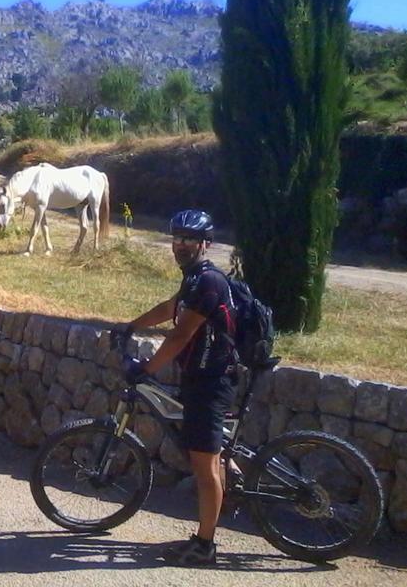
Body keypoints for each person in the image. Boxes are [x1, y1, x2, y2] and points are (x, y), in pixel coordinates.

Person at [124, 209, 236, 567]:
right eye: (177, 238)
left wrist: (146, 367)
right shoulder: (193, 279)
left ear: (206, 243)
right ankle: (214, 514)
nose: (181, 245)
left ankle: (205, 546)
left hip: (210, 382)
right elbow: (171, 308)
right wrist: (131, 325)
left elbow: (180, 333)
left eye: (190, 239)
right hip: (199, 378)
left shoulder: (208, 282)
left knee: (205, 469)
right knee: (209, 459)